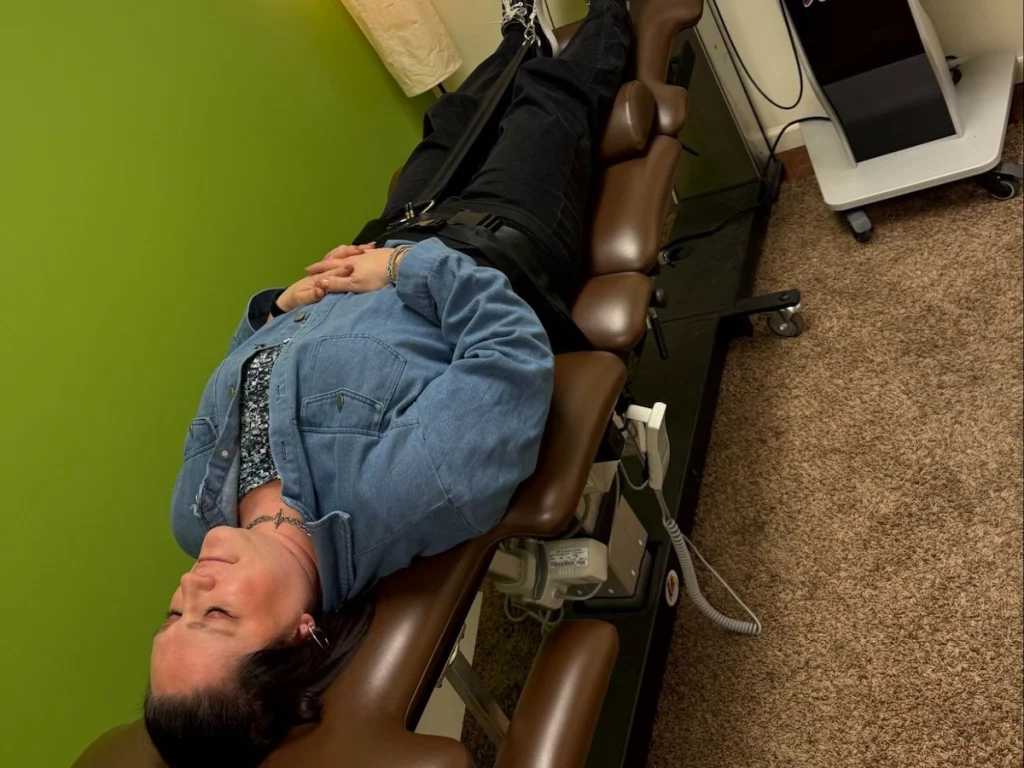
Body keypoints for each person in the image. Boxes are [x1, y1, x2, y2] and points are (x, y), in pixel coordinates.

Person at [144, 0, 632, 765]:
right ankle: (611, 11)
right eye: (215, 617)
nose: (190, 588)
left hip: (387, 241)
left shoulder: (195, 513)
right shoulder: (405, 495)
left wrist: (276, 308)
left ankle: (518, 34)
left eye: (173, 617)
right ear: (300, 636)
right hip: (491, 245)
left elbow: (237, 378)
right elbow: (509, 350)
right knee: (551, 102)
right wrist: (405, 269)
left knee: (452, 121)